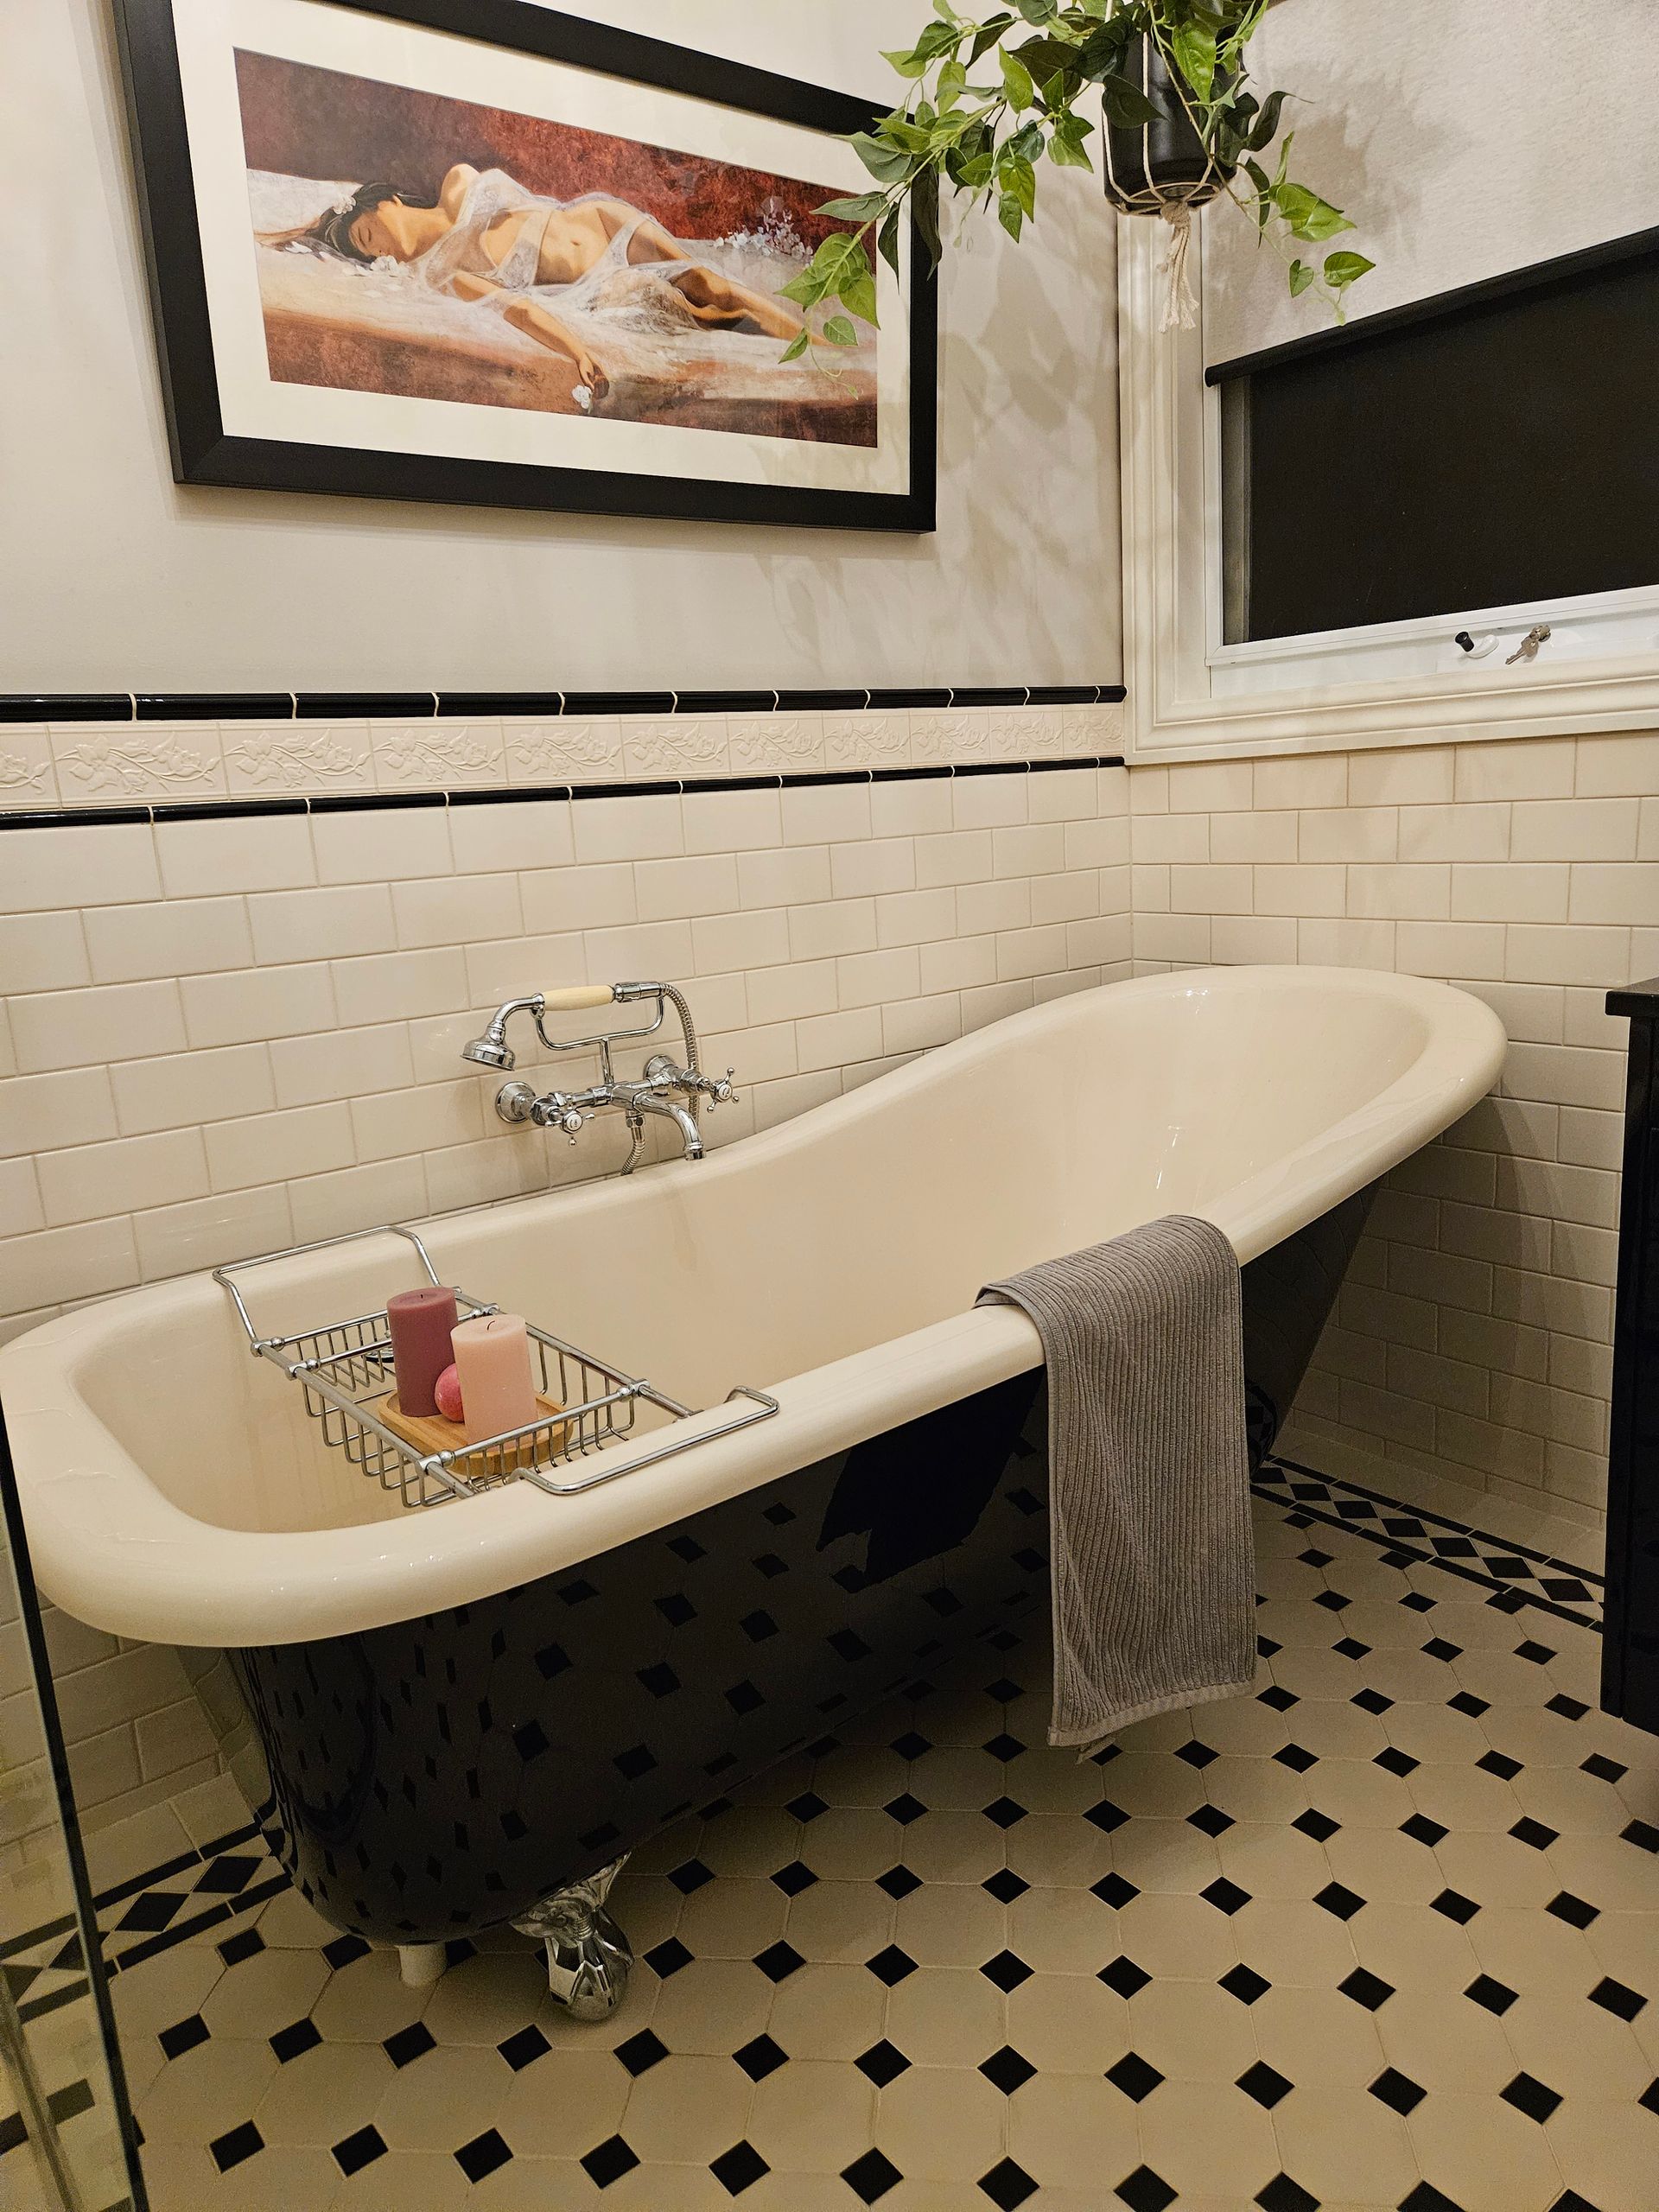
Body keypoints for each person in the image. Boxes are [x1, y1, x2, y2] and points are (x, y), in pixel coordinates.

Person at [259, 163, 806, 402]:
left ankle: (825, 351)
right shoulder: (442, 275)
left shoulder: (456, 182)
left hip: (600, 221)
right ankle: (804, 349)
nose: (373, 247)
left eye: (364, 232)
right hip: (594, 283)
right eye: (363, 251)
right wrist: (577, 352)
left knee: (711, 283)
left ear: (386, 201)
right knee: (710, 315)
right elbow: (516, 310)